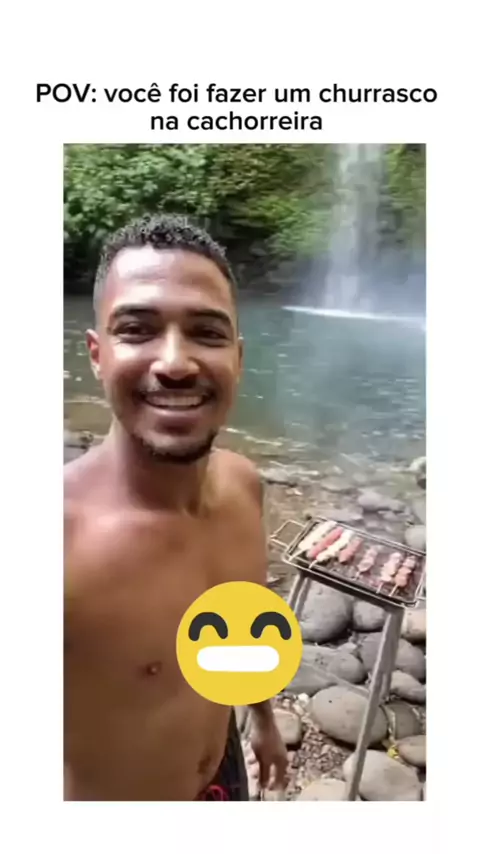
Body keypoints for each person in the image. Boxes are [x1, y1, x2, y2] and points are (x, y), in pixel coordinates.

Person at [64, 213, 289, 801]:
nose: (175, 363)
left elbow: (244, 622)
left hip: (223, 777)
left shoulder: (243, 486)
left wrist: (262, 720)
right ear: (96, 354)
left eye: (207, 333)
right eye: (137, 329)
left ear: (238, 357)